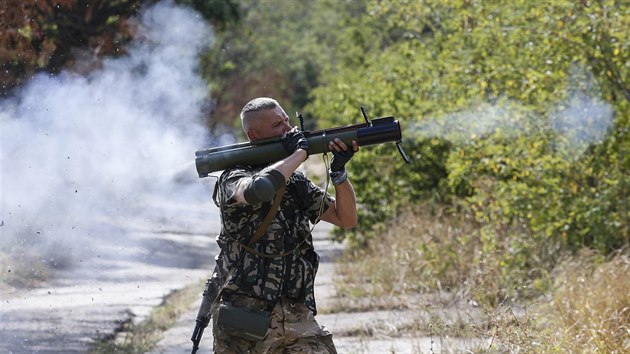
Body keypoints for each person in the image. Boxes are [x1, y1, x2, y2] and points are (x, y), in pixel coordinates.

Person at [209, 97, 359, 353]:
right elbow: (259, 189)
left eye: (287, 120)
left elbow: (345, 218)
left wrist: (339, 174)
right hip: (246, 317)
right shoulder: (233, 176)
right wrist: (299, 154)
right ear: (254, 135)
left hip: (296, 314)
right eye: (278, 124)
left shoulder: (295, 182)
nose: (288, 129)